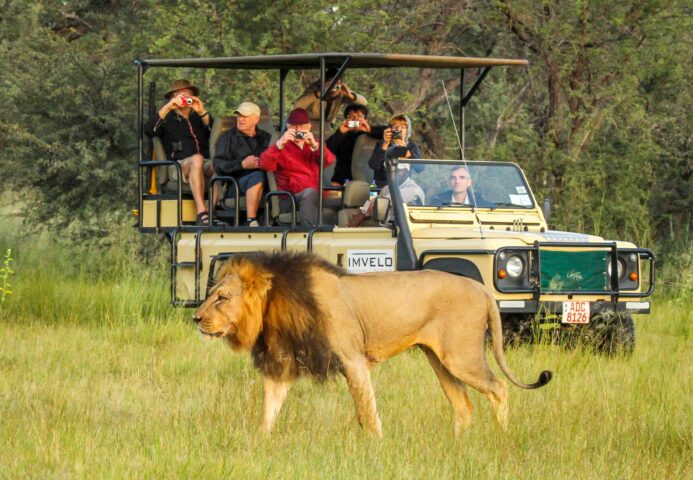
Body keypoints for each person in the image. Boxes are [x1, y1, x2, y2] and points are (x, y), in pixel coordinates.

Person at [144, 79, 214, 225]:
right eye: (179, 96)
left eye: (187, 95)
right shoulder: (167, 118)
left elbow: (215, 131)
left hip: (204, 161)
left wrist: (201, 111)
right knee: (197, 159)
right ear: (172, 97)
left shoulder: (198, 117)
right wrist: (169, 106)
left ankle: (212, 211)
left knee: (220, 165)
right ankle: (201, 212)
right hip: (178, 166)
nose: (183, 100)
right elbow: (149, 130)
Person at [259, 108, 336, 226]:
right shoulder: (280, 146)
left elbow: (329, 161)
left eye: (303, 126)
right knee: (309, 193)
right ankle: (312, 233)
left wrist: (315, 146)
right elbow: (264, 164)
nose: (299, 130)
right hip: (289, 198)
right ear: (288, 127)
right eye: (295, 127)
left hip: (316, 194)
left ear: (309, 127)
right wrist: (280, 143)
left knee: (344, 197)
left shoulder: (314, 144)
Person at [213, 102, 270, 227]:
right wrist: (242, 165)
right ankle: (251, 220)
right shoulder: (227, 138)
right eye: (239, 116)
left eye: (245, 116)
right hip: (236, 185)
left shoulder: (266, 138)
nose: (241, 119)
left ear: (256, 119)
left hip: (266, 185)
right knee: (257, 176)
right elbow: (219, 165)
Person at [325, 104, 386, 186]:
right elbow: (325, 150)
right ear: (346, 119)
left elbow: (391, 132)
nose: (355, 119)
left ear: (365, 119)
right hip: (342, 180)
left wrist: (370, 129)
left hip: (369, 181)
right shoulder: (341, 136)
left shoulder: (373, 134)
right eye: (351, 116)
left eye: (359, 116)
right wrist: (340, 132)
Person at [294, 68, 367, 125]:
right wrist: (319, 93)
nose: (333, 88)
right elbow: (297, 105)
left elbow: (364, 102)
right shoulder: (315, 89)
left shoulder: (341, 92)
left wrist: (350, 95)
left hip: (328, 125)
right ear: (324, 83)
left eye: (336, 84)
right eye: (331, 84)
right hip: (309, 124)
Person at [368, 114, 422, 188]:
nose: (398, 130)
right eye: (395, 126)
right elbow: (373, 165)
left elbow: (420, 168)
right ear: (389, 130)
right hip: (382, 187)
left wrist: (405, 150)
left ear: (407, 131)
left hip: (403, 187)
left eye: (402, 127)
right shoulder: (382, 144)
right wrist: (385, 144)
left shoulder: (411, 146)